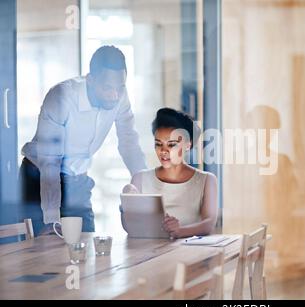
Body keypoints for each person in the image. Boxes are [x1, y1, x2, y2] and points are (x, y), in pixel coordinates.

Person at [20, 45, 147, 234]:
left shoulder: (120, 96)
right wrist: (52, 219)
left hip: (77, 180)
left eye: (120, 87)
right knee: (42, 250)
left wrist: (146, 187)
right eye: (108, 88)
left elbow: (129, 141)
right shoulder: (62, 97)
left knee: (86, 247)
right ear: (91, 79)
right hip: (39, 178)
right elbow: (50, 163)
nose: (115, 95)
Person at [122, 107, 218, 238]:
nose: (163, 151)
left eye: (172, 145)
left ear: (188, 145)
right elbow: (130, 227)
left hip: (188, 252)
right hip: (147, 252)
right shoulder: (139, 179)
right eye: (158, 144)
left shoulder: (207, 180)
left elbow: (209, 224)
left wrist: (180, 231)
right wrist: (124, 211)